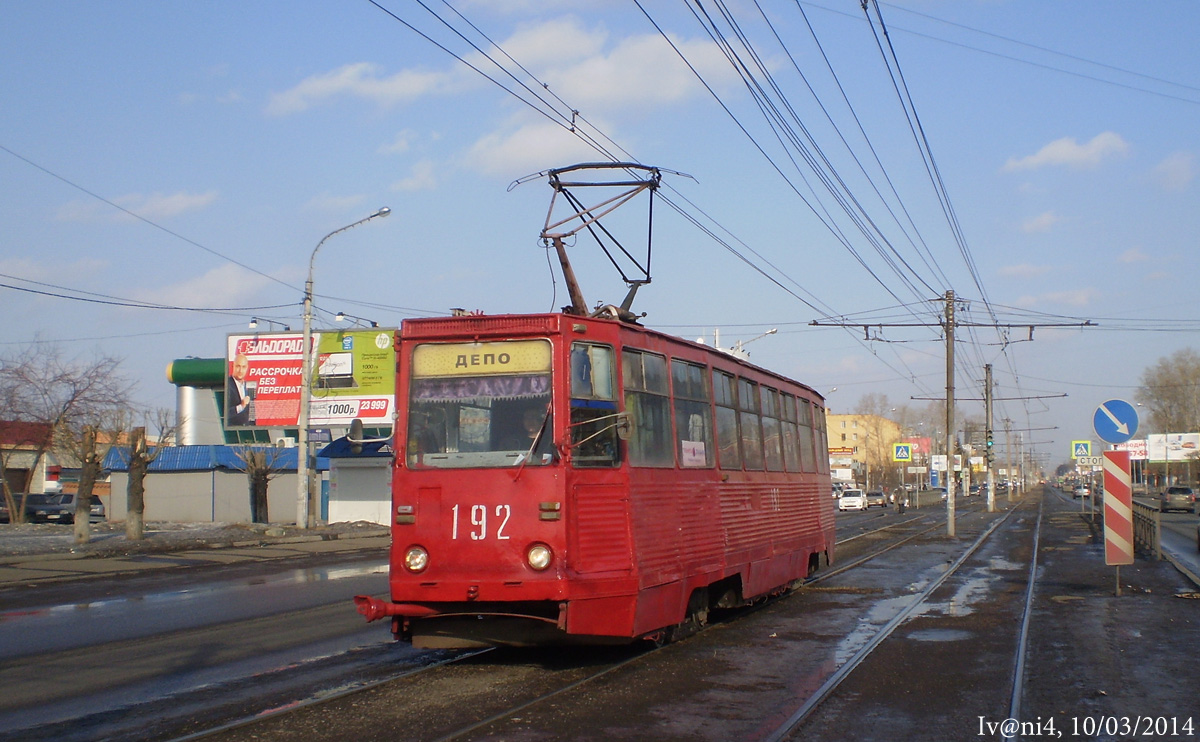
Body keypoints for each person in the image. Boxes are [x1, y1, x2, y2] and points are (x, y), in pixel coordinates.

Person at [226, 354, 253, 426]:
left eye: (243, 367)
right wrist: (241, 406)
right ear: (233, 366)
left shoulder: (249, 387)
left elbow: (251, 413)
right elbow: (224, 412)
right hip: (232, 430)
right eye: (238, 366)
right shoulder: (227, 385)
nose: (241, 370)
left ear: (247, 368)